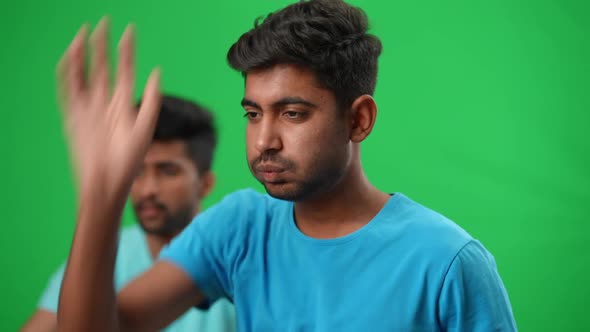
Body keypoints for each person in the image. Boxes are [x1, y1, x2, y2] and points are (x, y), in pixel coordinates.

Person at [56, 0, 518, 331]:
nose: (263, 141)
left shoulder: (448, 261)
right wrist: (102, 192)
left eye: (292, 113)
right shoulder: (240, 228)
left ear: (358, 119)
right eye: (253, 114)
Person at [22, 96, 236, 332]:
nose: (148, 189)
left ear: (205, 184)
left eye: (168, 171)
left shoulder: (234, 256)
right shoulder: (102, 256)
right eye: (135, 171)